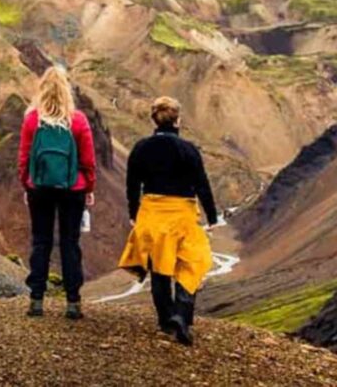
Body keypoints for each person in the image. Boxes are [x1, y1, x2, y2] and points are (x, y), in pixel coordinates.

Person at [118, 96, 217, 346]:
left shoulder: (141, 148)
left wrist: (133, 213)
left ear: (154, 119)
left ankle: (166, 321)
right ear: (178, 120)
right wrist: (212, 216)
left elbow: (132, 185)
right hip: (183, 215)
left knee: (159, 269)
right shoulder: (189, 150)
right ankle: (182, 315)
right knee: (192, 262)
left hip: (152, 214)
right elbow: (202, 184)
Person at [18, 66, 97, 319]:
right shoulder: (78, 121)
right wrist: (89, 188)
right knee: (69, 243)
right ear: (66, 91)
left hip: (39, 188)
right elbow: (88, 160)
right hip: (72, 188)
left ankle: (36, 300)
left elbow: (24, 158)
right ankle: (73, 302)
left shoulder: (32, 120)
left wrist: (27, 184)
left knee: (41, 241)